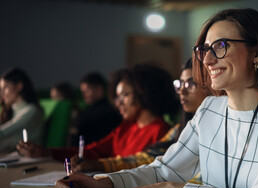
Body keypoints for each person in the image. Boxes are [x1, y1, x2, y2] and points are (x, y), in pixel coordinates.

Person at [55, 8, 258, 188]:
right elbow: (164, 170)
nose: (207, 60)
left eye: (221, 46)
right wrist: (102, 186)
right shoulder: (208, 110)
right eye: (204, 49)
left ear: (257, 52)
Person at [18, 64, 179, 172]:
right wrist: (47, 152)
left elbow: (144, 170)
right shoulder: (127, 127)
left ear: (145, 93)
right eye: (117, 97)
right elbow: (92, 151)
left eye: (124, 95)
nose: (118, 103)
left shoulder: (161, 131)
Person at [83, 58, 210, 173]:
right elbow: (150, 159)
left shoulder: (160, 129)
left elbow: (153, 163)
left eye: (191, 83)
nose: (182, 91)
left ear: (143, 94)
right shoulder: (178, 129)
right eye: (180, 84)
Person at [0, 68, 44, 153]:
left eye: (5, 88)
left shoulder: (31, 110)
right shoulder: (13, 111)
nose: (2, 94)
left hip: (27, 159)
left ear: (19, 86)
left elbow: (4, 132)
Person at [72, 72, 122, 146]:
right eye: (82, 92)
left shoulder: (109, 112)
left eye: (87, 90)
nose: (84, 95)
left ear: (99, 88)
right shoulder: (86, 111)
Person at [50, 82, 80, 147]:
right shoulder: (52, 114)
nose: (54, 101)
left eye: (57, 97)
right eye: (52, 98)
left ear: (65, 96)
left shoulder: (74, 113)